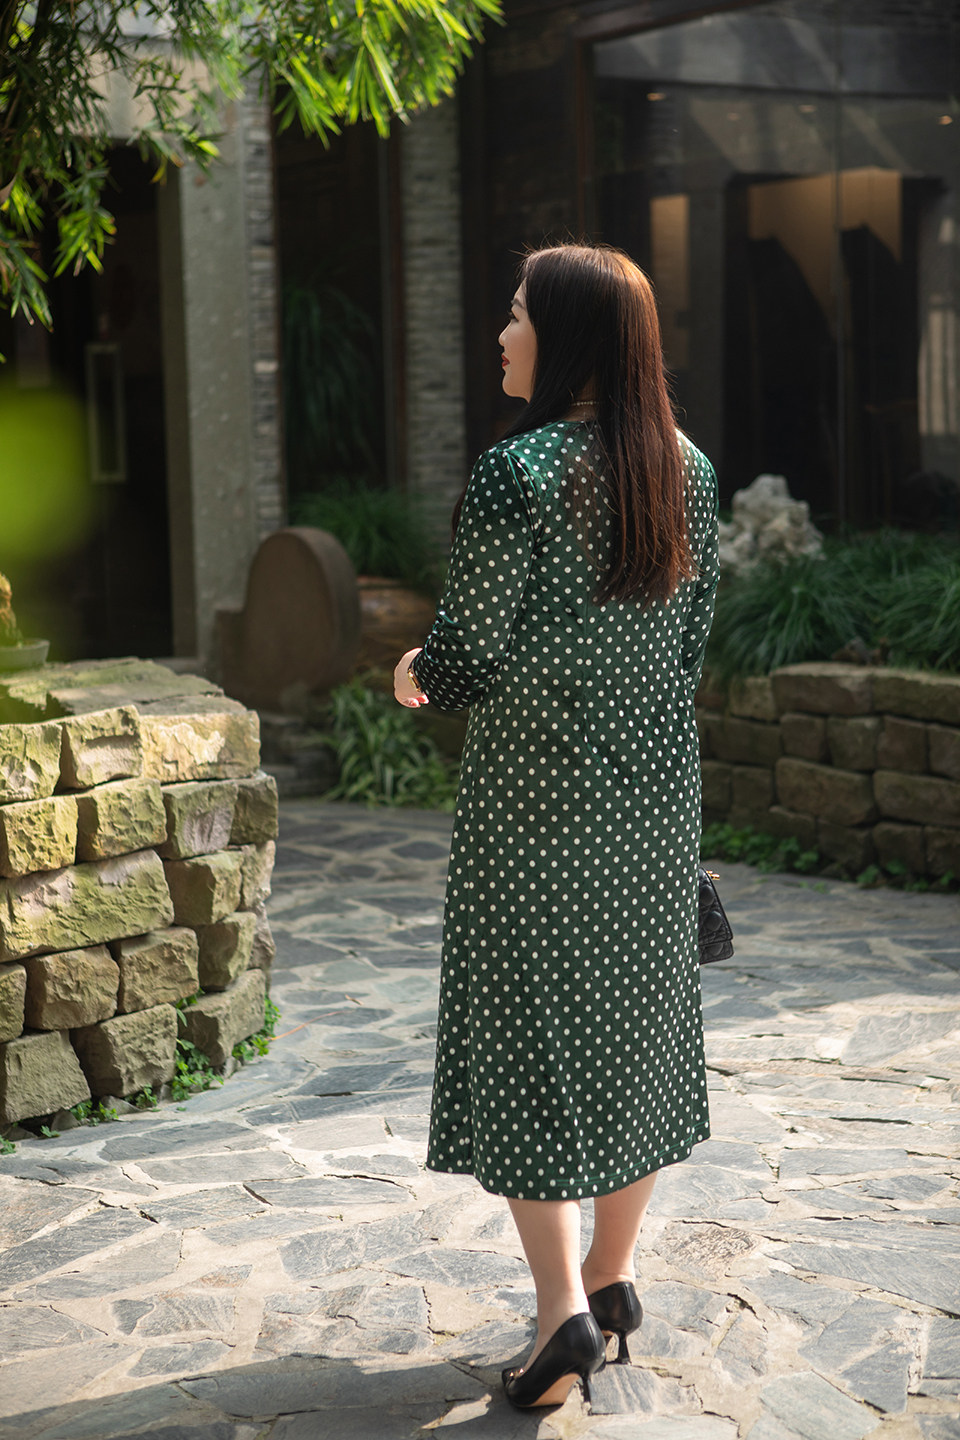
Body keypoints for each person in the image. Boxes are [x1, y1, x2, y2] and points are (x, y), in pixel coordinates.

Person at [393, 242, 720, 1410]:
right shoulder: (689, 470)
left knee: (533, 1049)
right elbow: (687, 651)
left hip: (535, 814)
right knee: (637, 1038)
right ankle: (615, 1275)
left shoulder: (517, 473)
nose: (502, 334)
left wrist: (411, 671)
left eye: (519, 314)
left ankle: (560, 1320)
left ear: (568, 336)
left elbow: (466, 658)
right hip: (653, 807)